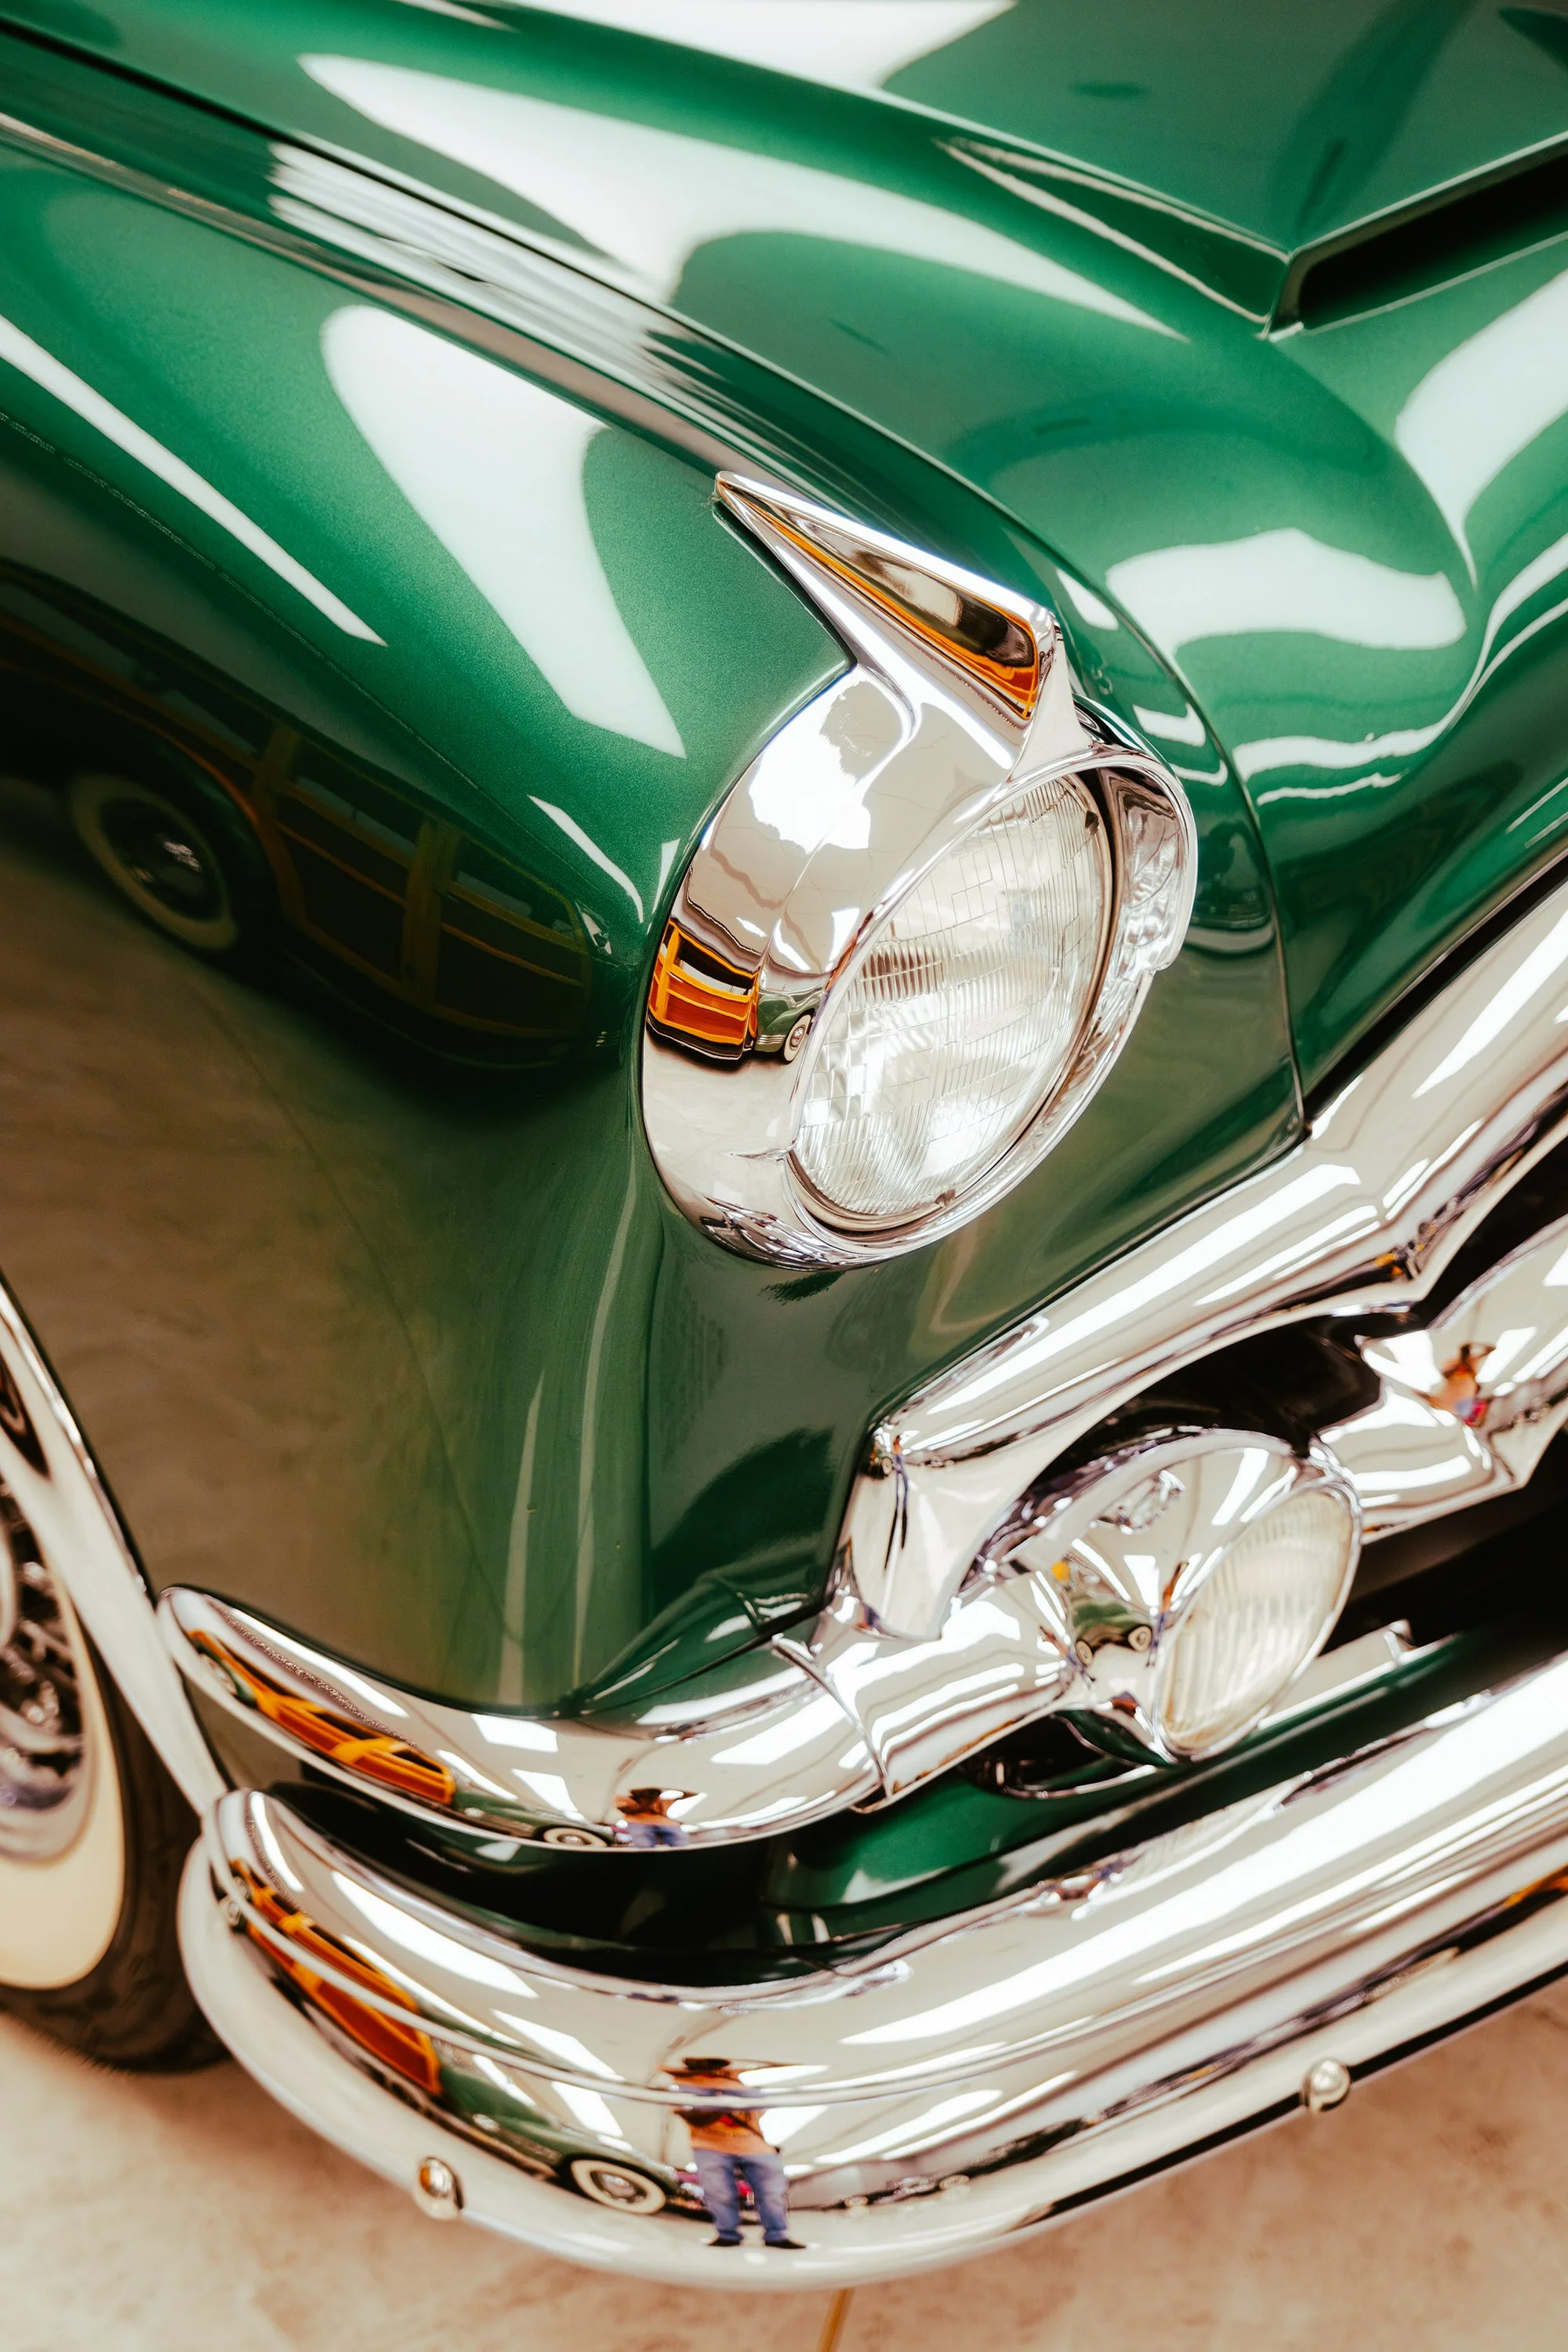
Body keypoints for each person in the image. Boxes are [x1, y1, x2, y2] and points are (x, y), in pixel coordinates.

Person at [670, 2056, 804, 2249]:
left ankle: (777, 2235)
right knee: (718, 2192)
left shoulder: (741, 2087)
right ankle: (728, 2234)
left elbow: (761, 2103)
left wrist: (727, 2081)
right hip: (709, 2146)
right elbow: (683, 2108)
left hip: (754, 2146)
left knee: (771, 2192)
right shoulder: (688, 2086)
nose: (712, 2070)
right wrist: (701, 2080)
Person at [615, 1787, 690, 1849]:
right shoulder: (626, 1799)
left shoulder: (661, 1801)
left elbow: (690, 1794)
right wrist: (646, 1803)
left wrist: (674, 1788)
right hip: (638, 1822)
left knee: (680, 1842)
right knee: (644, 1845)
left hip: (666, 1823)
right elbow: (623, 1808)